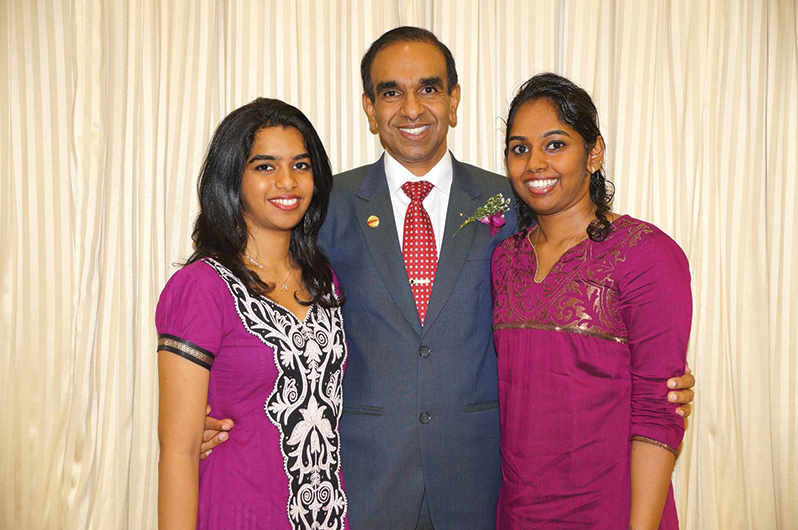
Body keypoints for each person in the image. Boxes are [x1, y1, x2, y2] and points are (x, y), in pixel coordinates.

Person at [200, 28, 696, 529]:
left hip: (484, 484)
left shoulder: (516, 200)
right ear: (370, 109)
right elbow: (262, 306)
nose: (411, 108)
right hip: (365, 481)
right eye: (391, 91)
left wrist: (656, 383)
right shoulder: (323, 206)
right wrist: (214, 407)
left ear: (454, 101)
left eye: (429, 88)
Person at [492, 72, 691, 529]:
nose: (535, 163)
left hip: (611, 511)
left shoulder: (646, 254)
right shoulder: (504, 259)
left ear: (594, 152)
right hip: (519, 512)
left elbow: (658, 411)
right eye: (520, 148)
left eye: (555, 144)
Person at [155, 98, 349, 529]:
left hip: (325, 514)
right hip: (237, 511)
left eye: (300, 165)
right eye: (265, 167)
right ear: (232, 178)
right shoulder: (201, 288)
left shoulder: (324, 281)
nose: (287, 181)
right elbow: (179, 451)